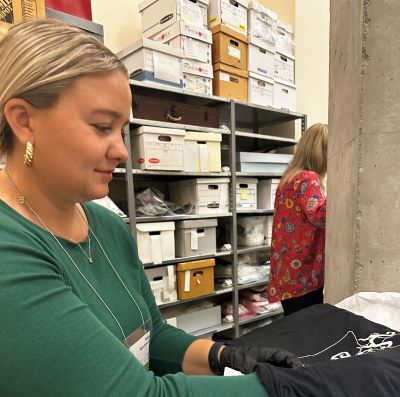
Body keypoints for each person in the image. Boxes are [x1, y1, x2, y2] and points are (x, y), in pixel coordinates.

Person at [0, 19, 301, 397]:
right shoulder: (9, 250)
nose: (122, 151)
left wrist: (224, 356)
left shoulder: (106, 225)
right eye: (101, 126)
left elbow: (150, 335)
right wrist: (290, 390)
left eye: (122, 130)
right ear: (23, 120)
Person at [267, 123, 328, 316]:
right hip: (303, 272)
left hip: (286, 271)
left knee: (294, 323)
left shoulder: (288, 178)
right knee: (309, 329)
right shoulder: (308, 178)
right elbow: (320, 215)